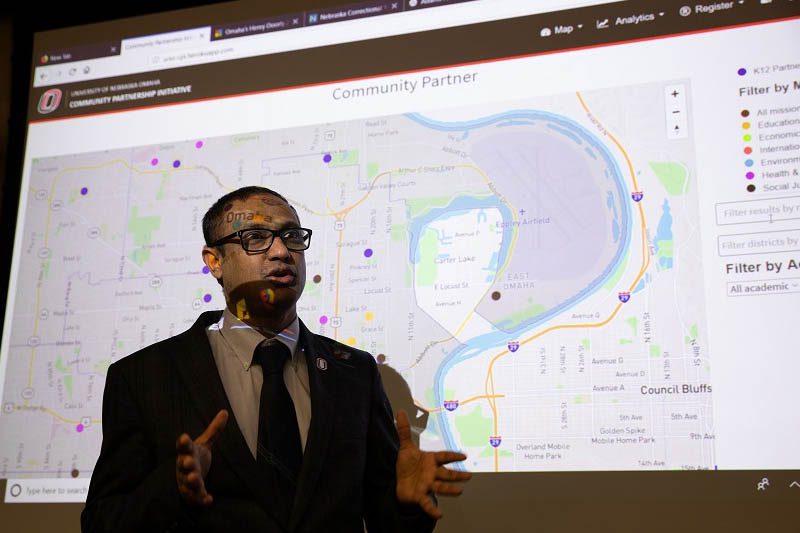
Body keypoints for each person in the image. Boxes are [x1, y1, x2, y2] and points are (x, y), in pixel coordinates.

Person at [81, 186, 471, 533]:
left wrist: (403, 504)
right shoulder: (143, 376)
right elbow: (102, 522)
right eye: (256, 238)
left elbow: (387, 521)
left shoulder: (353, 372)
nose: (282, 251)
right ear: (214, 261)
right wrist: (173, 488)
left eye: (292, 237)